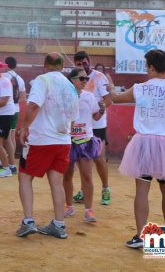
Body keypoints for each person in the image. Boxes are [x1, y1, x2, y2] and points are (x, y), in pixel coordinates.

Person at [107, 50, 165, 248]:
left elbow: (115, 98)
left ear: (151, 66)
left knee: (142, 190)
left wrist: (109, 85)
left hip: (145, 142)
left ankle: (142, 236)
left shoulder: (140, 88)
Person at [16, 52, 79, 239]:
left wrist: (23, 127)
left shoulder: (42, 80)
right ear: (61, 67)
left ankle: (28, 221)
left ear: (45, 66)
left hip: (43, 139)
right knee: (56, 182)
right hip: (63, 140)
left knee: (25, 177)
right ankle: (59, 224)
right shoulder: (70, 86)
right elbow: (74, 118)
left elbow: (34, 106)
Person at [62, 68, 105, 223]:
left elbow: (96, 116)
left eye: (86, 78)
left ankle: (89, 210)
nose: (85, 81)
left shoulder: (89, 96)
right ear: (72, 80)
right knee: (67, 174)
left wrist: (101, 111)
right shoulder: (64, 96)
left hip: (85, 140)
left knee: (87, 175)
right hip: (68, 140)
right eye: (82, 79)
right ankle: (68, 205)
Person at [73, 51, 112, 206]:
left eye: (84, 62)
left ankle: (105, 188)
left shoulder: (99, 77)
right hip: (80, 127)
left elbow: (108, 100)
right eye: (78, 64)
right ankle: (84, 191)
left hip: (97, 125)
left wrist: (96, 110)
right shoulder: (73, 78)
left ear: (89, 61)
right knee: (82, 160)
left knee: (99, 159)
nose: (82, 66)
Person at [4, 56, 27, 168]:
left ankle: (11, 164)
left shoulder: (4, 77)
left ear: (6, 65)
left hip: (6, 110)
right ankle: (10, 161)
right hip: (16, 109)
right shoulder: (20, 79)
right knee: (12, 136)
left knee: (8, 138)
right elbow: (23, 98)